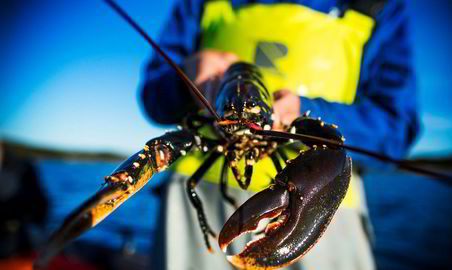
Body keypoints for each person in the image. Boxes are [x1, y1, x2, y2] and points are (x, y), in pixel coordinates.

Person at [141, 0, 419, 269]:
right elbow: (153, 97)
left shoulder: (378, 5)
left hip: (321, 208)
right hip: (194, 211)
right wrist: (183, 77)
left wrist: (304, 111)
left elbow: (397, 129)